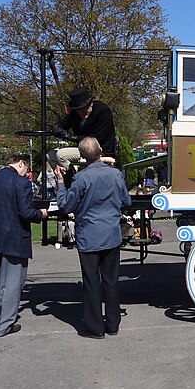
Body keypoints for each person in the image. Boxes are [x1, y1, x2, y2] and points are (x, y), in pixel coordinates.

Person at [55, 137, 131, 339]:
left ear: (81, 156)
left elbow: (65, 206)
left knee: (91, 282)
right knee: (111, 281)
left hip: (89, 235)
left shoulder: (82, 178)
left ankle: (95, 327)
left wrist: (60, 183)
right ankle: (113, 323)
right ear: (101, 151)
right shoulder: (115, 174)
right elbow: (126, 200)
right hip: (111, 234)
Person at [0, 154, 48, 337]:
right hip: (13, 238)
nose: (26, 173)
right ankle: (4, 324)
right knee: (10, 284)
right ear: (21, 164)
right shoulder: (21, 183)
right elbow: (26, 213)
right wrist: (41, 214)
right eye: (26, 169)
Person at [48, 87, 117, 169]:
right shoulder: (74, 114)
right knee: (50, 155)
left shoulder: (102, 111)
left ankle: (75, 178)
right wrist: (56, 129)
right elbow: (60, 125)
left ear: (90, 104)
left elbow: (98, 138)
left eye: (84, 108)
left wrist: (71, 137)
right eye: (78, 110)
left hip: (99, 149)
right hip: (81, 148)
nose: (82, 112)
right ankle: (70, 175)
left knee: (61, 155)